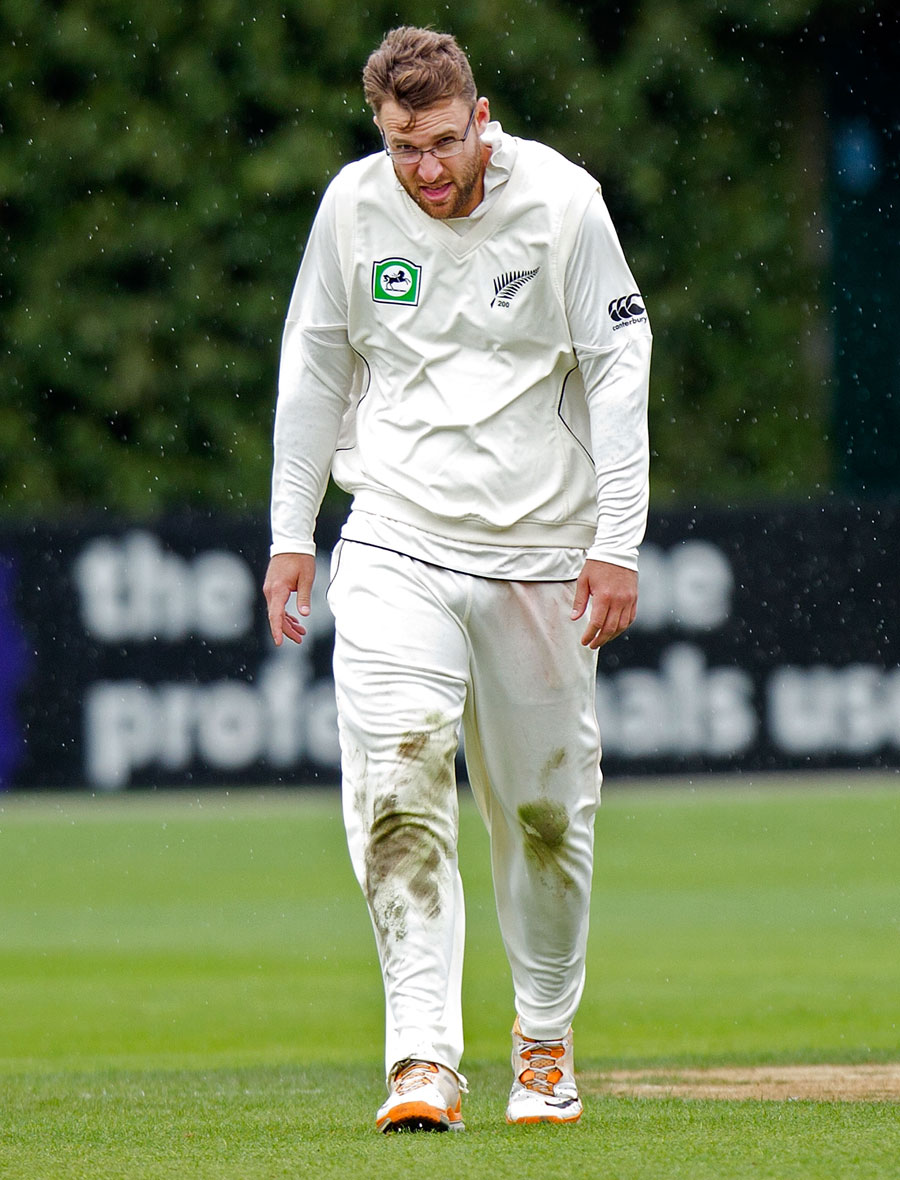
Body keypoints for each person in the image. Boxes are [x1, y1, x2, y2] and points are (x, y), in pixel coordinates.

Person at [263, 25, 651, 1132]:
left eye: (440, 142)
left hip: (538, 553)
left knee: (544, 816)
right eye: (401, 147)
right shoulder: (353, 206)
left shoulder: (564, 203)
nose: (424, 171)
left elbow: (623, 368)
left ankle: (543, 1039)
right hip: (392, 538)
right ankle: (420, 1059)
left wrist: (614, 543)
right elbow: (314, 362)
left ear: (480, 118)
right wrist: (295, 528)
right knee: (399, 781)